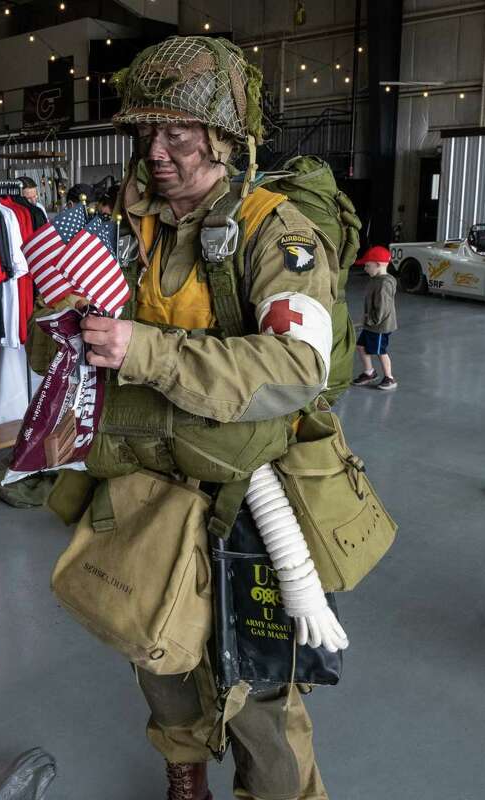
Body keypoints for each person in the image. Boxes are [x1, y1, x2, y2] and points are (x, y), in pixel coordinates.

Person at [67, 36, 338, 799]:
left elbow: (296, 370)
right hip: (145, 481)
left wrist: (144, 351)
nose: (156, 150)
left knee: (260, 683)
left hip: (245, 495)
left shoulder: (275, 234)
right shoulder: (125, 221)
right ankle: (183, 769)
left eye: (177, 133)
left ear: (222, 138)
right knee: (156, 649)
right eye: (146, 132)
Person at [351, 244, 398, 390]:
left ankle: (389, 378)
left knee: (380, 351)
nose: (365, 269)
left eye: (367, 265)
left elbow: (383, 308)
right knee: (361, 346)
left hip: (379, 326)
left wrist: (370, 321)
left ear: (378, 265)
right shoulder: (376, 279)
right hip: (371, 323)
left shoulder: (384, 284)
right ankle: (369, 372)